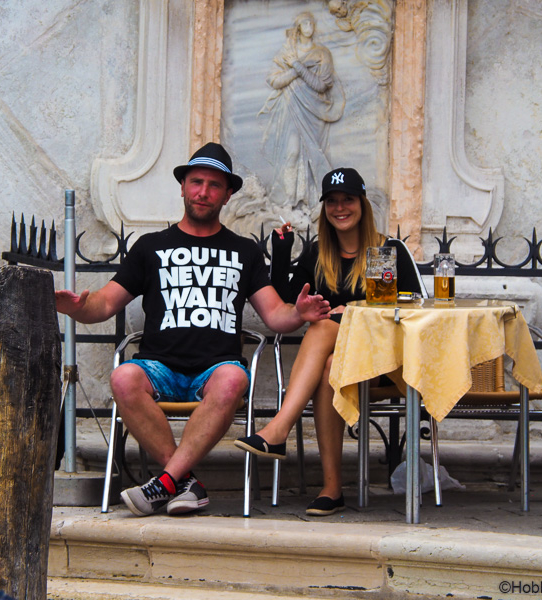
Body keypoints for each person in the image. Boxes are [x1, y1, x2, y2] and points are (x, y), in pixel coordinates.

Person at [55, 143, 331, 517]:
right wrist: (77, 308)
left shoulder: (244, 251)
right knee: (123, 378)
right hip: (159, 366)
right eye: (196, 182)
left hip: (216, 367)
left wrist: (298, 313)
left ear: (228, 194)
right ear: (183, 186)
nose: (203, 192)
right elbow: (103, 304)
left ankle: (166, 482)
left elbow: (275, 316)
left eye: (214, 185)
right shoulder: (150, 247)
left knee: (234, 379)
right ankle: (184, 483)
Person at [235, 167, 385, 516]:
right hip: (338, 365)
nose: (340, 207)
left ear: (362, 204)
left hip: (380, 361)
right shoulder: (319, 254)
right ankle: (332, 490)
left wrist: (353, 312)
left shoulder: (384, 252)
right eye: (332, 201)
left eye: (348, 199)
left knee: (325, 324)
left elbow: (403, 307)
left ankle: (279, 427)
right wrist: (282, 252)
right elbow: (290, 301)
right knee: (329, 363)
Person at [259, 11, 345, 208]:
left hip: (315, 111)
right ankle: (288, 200)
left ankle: (315, 200)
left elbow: (321, 86)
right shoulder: (286, 54)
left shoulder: (322, 54)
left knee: (313, 154)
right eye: (305, 23)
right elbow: (275, 80)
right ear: (298, 28)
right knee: (292, 152)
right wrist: (294, 68)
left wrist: (297, 66)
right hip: (291, 108)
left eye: (311, 22)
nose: (310, 26)